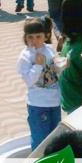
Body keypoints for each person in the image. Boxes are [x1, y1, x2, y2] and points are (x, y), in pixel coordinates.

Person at [17, 16, 61, 150]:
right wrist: (37, 66)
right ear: (25, 38)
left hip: (54, 102)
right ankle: (38, 162)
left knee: (55, 139)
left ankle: (54, 161)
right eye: (30, 37)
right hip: (38, 104)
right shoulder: (25, 56)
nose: (34, 40)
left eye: (38, 36)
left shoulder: (49, 49)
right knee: (40, 142)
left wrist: (61, 66)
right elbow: (29, 81)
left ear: (46, 36)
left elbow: (54, 72)